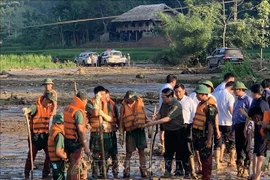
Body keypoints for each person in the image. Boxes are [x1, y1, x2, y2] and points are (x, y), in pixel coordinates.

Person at [144, 88, 188, 178]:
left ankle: (184, 171)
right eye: (162, 97)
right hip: (169, 132)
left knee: (181, 153)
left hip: (178, 132)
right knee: (168, 152)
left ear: (170, 96)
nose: (163, 99)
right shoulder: (164, 103)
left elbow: (167, 118)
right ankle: (167, 171)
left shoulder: (176, 105)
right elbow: (161, 114)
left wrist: (153, 122)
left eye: (164, 97)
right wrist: (156, 117)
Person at [22, 92, 57, 179]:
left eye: (51, 103)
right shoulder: (36, 106)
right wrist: (26, 110)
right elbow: (30, 109)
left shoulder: (49, 107)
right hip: (35, 136)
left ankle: (45, 174)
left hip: (45, 136)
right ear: (45, 99)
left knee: (49, 155)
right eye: (49, 102)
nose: (50, 104)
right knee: (31, 157)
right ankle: (27, 174)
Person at [240, 84, 270, 180]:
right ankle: (254, 174)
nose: (251, 94)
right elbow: (253, 117)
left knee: (261, 153)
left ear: (255, 93)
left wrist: (244, 113)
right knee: (256, 151)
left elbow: (258, 119)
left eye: (252, 93)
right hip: (258, 129)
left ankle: (257, 175)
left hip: (263, 131)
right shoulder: (257, 102)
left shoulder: (261, 104)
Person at [190, 80, 221, 172]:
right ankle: (203, 172)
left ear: (203, 94)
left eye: (198, 94)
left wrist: (209, 140)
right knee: (200, 154)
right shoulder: (201, 104)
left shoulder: (210, 107)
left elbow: (210, 125)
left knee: (206, 157)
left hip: (205, 135)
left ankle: (206, 175)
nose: (196, 96)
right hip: (198, 135)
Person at [119, 90, 148, 178]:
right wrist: (121, 135)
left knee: (141, 151)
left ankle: (143, 170)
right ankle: (126, 170)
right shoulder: (123, 106)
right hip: (130, 132)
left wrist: (149, 129)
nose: (130, 102)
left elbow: (146, 116)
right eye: (128, 101)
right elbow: (121, 121)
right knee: (129, 152)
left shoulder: (140, 103)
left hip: (140, 130)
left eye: (132, 101)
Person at [87, 86, 113, 179]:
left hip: (105, 133)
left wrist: (102, 113)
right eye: (101, 94)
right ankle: (94, 173)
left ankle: (104, 173)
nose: (103, 96)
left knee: (105, 154)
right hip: (95, 132)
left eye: (104, 94)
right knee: (95, 154)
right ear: (96, 94)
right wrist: (97, 102)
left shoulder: (108, 104)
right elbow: (95, 113)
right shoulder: (90, 103)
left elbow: (110, 118)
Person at [63, 91, 90, 180]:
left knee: (71, 164)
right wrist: (86, 146)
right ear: (84, 100)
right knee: (76, 166)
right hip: (75, 143)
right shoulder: (78, 112)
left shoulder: (68, 108)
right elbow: (80, 131)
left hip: (66, 140)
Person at [174, 84, 197, 179]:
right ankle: (178, 170)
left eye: (179, 91)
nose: (178, 93)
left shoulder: (189, 100)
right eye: (176, 92)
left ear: (184, 91)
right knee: (177, 149)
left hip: (187, 126)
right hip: (175, 127)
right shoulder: (173, 101)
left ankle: (188, 170)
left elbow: (194, 114)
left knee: (187, 150)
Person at [231, 81, 253, 177]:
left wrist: (247, 128)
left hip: (246, 126)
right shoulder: (237, 100)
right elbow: (234, 115)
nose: (234, 91)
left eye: (235, 90)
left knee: (247, 148)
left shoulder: (248, 100)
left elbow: (251, 116)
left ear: (240, 90)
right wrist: (232, 127)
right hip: (237, 126)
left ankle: (247, 169)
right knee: (239, 148)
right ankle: (239, 170)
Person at [213, 81, 236, 169]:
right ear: (231, 89)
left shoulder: (216, 94)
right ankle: (232, 160)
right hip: (228, 122)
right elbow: (231, 109)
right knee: (232, 143)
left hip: (218, 122)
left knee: (218, 143)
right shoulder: (230, 97)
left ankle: (218, 163)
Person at [158, 74, 177, 155]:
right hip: (167, 110)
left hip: (161, 110)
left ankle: (163, 146)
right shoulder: (169, 88)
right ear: (173, 81)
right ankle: (165, 147)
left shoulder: (163, 87)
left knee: (162, 130)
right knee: (167, 130)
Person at [48, 113, 68, 180]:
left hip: (54, 162)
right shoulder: (59, 135)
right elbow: (58, 152)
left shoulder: (52, 131)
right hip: (59, 162)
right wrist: (66, 157)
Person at [105, 89, 119, 178]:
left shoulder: (113, 105)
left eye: (107, 96)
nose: (106, 98)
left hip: (112, 133)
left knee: (114, 154)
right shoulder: (99, 105)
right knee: (104, 154)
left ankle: (115, 173)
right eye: (104, 97)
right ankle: (104, 172)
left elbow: (117, 118)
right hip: (104, 133)